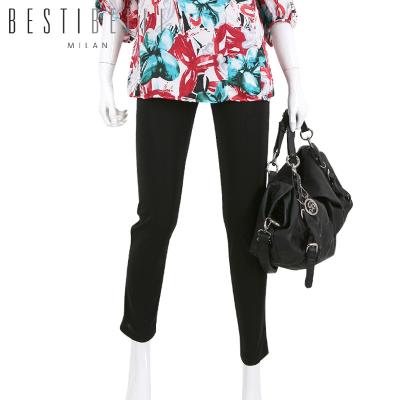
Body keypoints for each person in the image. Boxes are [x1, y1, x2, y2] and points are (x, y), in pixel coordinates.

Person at [96, 0, 307, 398]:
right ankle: (138, 360)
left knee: (246, 224)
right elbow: (118, 5)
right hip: (162, 59)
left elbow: (276, 8)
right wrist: (103, 74)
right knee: (156, 218)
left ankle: (252, 371)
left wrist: (296, 80)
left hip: (240, 61)